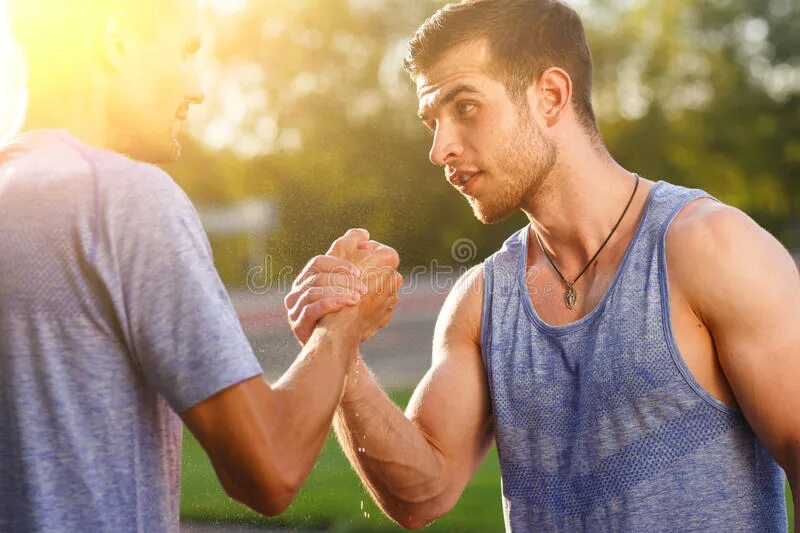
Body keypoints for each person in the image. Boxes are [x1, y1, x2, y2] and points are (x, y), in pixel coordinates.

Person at [286, 0, 800, 530]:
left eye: (464, 107)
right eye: (431, 122)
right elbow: (421, 493)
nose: (439, 150)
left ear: (551, 96)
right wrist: (338, 347)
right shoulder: (483, 298)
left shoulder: (709, 247)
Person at [0, 0, 401, 530]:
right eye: (186, 53)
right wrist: (346, 317)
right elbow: (270, 468)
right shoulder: (124, 199)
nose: (197, 88)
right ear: (117, 39)